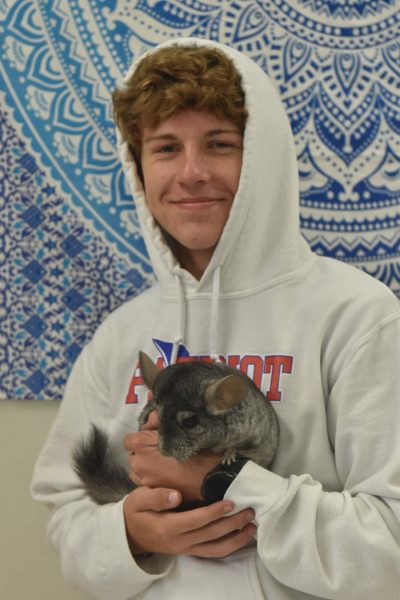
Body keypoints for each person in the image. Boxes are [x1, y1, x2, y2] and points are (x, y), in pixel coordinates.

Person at [31, 37, 400, 600]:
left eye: (219, 143)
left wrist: (222, 481)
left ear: (262, 159)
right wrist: (129, 531)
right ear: (138, 168)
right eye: (165, 148)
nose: (192, 172)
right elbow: (66, 517)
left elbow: (390, 549)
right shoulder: (121, 335)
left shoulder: (358, 317)